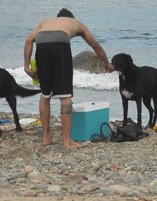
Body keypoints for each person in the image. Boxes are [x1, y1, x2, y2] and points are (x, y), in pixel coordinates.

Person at [23, 8, 113, 148]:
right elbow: (96, 46)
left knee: (45, 94)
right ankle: (67, 140)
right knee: (65, 95)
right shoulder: (75, 23)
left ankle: (46, 136)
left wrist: (26, 66)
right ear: (71, 18)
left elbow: (29, 41)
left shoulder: (45, 22)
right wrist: (107, 63)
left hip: (41, 43)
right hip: (60, 44)